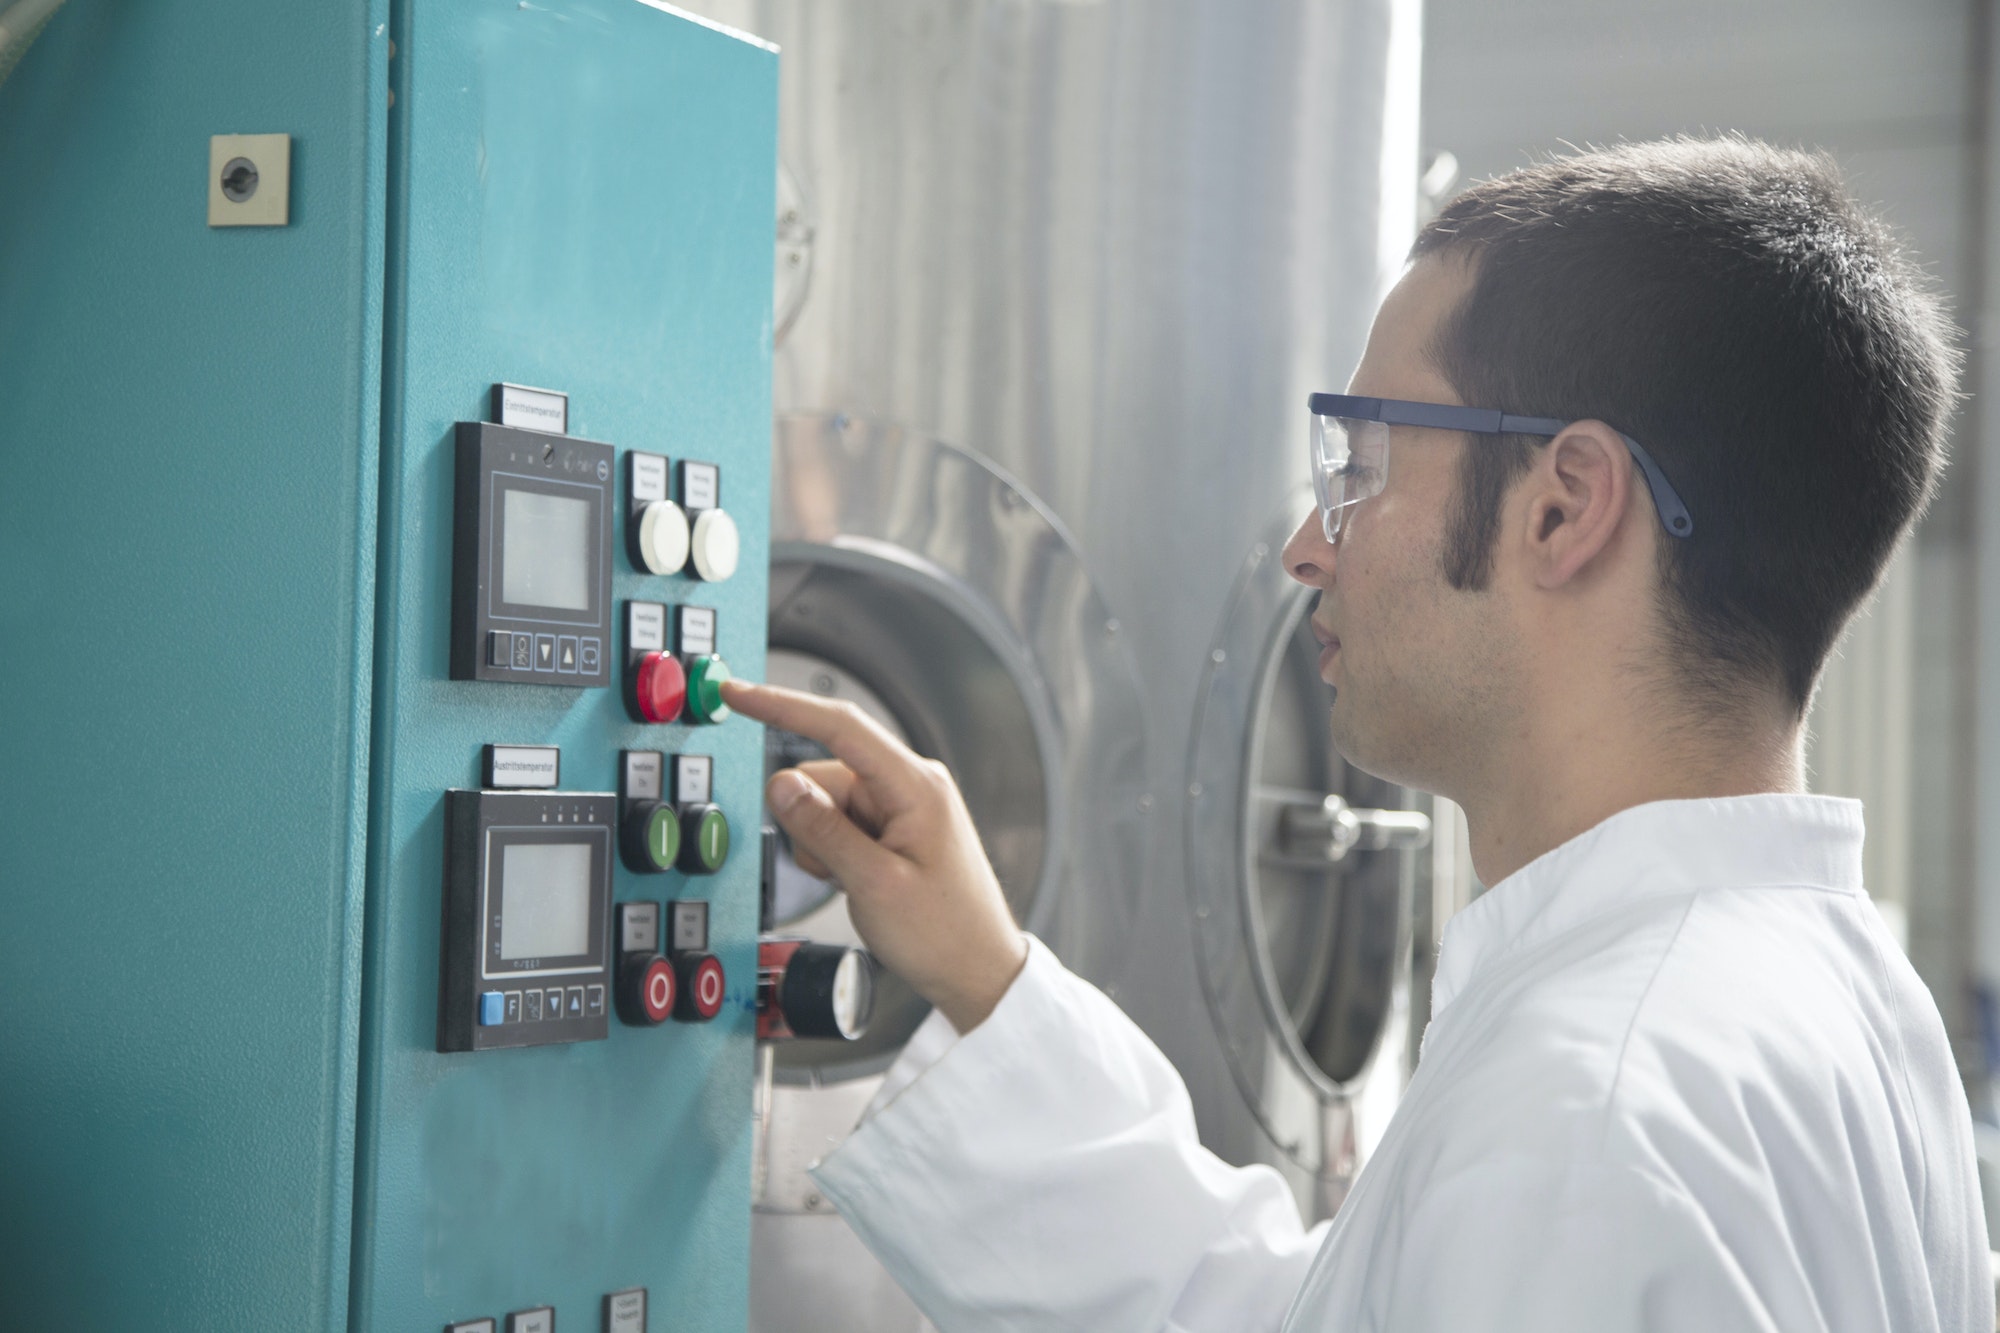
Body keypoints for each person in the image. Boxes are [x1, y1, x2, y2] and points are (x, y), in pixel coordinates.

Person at [719, 136, 1991, 1331]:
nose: (1305, 545)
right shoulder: (1833, 1008)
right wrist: (983, 976)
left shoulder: (1590, 1110)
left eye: (1360, 463)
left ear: (1563, 509)